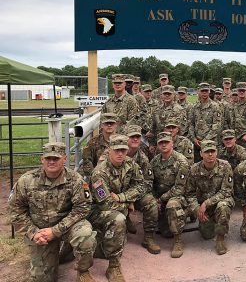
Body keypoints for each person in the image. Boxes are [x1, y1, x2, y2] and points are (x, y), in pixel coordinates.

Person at [9, 142, 97, 282]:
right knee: (42, 278)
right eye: (48, 158)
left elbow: (82, 208)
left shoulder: (75, 180)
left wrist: (56, 231)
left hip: (67, 226)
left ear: (64, 159)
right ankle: (60, 253)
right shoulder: (26, 180)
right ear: (42, 159)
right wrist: (33, 233)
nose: (51, 161)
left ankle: (82, 270)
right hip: (40, 231)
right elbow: (16, 210)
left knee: (85, 236)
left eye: (56, 158)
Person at [89, 135, 150, 281]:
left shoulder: (130, 164)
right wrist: (127, 204)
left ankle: (112, 264)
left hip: (117, 203)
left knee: (119, 220)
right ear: (109, 150)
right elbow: (105, 204)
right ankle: (113, 266)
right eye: (116, 150)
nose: (120, 154)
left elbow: (141, 185)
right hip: (97, 211)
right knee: (119, 219)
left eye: (123, 150)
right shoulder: (99, 172)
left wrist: (124, 197)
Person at [185, 140, 235, 255]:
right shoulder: (194, 169)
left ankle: (220, 239)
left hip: (222, 200)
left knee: (223, 207)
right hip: (204, 207)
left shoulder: (225, 166)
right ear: (201, 153)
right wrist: (196, 209)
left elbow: (226, 191)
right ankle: (210, 222)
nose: (210, 154)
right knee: (207, 235)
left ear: (217, 153)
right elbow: (189, 194)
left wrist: (206, 203)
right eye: (207, 152)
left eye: (213, 151)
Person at [150, 132, 190, 257]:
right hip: (161, 199)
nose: (163, 145)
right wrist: (154, 199)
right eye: (161, 143)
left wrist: (161, 199)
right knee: (166, 232)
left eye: (166, 142)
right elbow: (149, 182)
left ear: (172, 143)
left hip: (178, 197)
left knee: (172, 206)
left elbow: (179, 188)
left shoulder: (181, 161)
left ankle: (178, 240)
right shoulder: (154, 161)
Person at [125, 125, 160, 255]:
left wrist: (131, 197)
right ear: (125, 138)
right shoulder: (116, 153)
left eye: (137, 137)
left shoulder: (143, 158)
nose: (135, 139)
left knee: (151, 202)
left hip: (134, 194)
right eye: (132, 137)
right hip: (116, 195)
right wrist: (124, 198)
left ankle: (149, 238)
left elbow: (148, 182)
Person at [189, 82, 223, 161]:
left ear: (209, 91)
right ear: (198, 91)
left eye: (206, 91)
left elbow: (217, 126)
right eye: (202, 91)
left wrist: (205, 141)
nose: (204, 93)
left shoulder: (215, 106)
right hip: (197, 143)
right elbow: (191, 124)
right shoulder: (194, 107)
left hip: (210, 142)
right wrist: (194, 139)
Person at [81, 112, 118, 180]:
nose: (109, 125)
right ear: (101, 125)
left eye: (111, 123)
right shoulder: (93, 142)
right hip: (99, 177)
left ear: (116, 125)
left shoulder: (123, 141)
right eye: (106, 123)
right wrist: (95, 176)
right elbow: (87, 162)